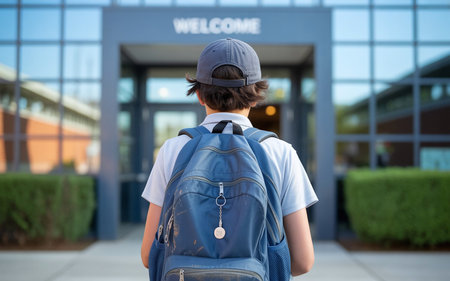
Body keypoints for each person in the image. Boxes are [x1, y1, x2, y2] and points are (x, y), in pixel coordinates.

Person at [140, 38, 318, 277]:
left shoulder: (173, 150)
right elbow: (302, 262)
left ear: (200, 95)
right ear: (255, 97)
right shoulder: (280, 152)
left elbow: (148, 255)